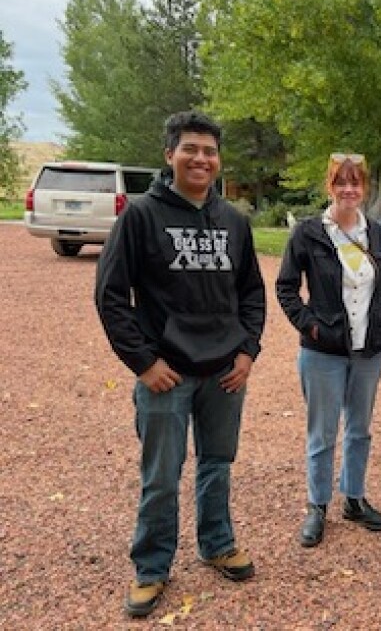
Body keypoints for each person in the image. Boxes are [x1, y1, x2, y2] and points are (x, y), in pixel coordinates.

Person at [94, 111, 266, 618]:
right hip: (166, 376)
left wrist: (247, 351)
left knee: (217, 463)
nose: (202, 159)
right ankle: (151, 567)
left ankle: (216, 543)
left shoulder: (234, 221)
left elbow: (252, 293)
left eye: (210, 151)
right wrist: (144, 363)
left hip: (224, 374)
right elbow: (110, 296)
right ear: (170, 155)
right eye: (191, 149)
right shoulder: (141, 216)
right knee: (162, 476)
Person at [276, 152, 381, 548]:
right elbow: (285, 287)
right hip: (323, 350)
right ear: (330, 186)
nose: (348, 189)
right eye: (341, 182)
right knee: (322, 432)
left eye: (355, 182)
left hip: (367, 349)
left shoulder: (374, 232)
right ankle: (317, 504)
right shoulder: (309, 233)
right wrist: (310, 324)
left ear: (364, 188)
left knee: (360, 429)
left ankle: (354, 498)